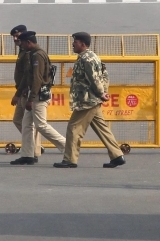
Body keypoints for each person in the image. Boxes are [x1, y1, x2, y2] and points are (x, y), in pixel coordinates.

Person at [54, 32, 126, 168]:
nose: (73, 44)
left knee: (74, 128)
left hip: (87, 101)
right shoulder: (91, 57)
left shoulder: (87, 59)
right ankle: (117, 155)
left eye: (75, 42)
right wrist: (103, 92)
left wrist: (101, 93)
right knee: (102, 128)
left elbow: (94, 79)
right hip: (92, 99)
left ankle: (70, 159)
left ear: (82, 44)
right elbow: (104, 75)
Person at [12, 31, 67, 165]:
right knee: (26, 125)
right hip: (33, 94)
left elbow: (37, 79)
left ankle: (67, 146)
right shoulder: (31, 54)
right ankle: (27, 155)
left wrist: (31, 99)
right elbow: (26, 77)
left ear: (29, 42)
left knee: (41, 125)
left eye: (23, 43)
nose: (21, 46)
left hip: (38, 96)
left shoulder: (38, 55)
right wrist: (18, 94)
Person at [8, 25, 33, 159]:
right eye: (13, 36)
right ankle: (32, 146)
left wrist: (18, 94)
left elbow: (28, 75)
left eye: (17, 36)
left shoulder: (28, 52)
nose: (15, 39)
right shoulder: (22, 50)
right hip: (22, 91)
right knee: (18, 120)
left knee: (37, 125)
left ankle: (32, 147)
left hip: (25, 92)